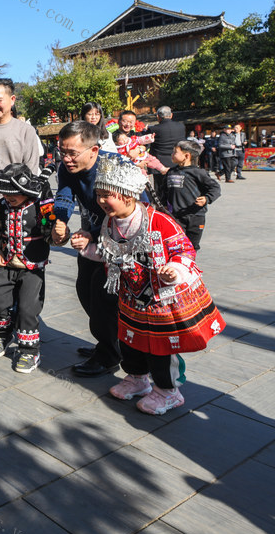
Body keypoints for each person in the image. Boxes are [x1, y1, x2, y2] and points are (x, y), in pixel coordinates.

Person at [77, 155, 225, 415]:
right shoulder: (109, 223)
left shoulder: (160, 222)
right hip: (131, 298)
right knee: (130, 341)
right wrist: (88, 248)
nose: (101, 201)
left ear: (127, 195)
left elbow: (185, 250)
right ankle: (137, 378)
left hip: (160, 301)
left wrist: (175, 268)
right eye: (98, 195)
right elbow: (109, 252)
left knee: (161, 347)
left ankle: (168, 392)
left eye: (106, 195)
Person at [52, 121, 125, 377]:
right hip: (92, 236)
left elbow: (125, 214)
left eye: (73, 153)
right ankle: (108, 343)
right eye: (63, 151)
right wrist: (60, 220)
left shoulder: (114, 168)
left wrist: (91, 234)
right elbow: (64, 194)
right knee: (85, 289)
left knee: (103, 295)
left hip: (121, 241)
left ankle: (109, 355)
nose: (67, 158)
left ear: (94, 150)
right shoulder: (66, 167)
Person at [0, 163, 54, 374]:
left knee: (27, 308)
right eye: (5, 194)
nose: (9, 197)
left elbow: (51, 228)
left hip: (32, 265)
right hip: (6, 261)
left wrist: (57, 230)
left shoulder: (39, 206)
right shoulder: (4, 206)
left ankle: (29, 350)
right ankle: (2, 335)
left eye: (13, 193)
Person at [164, 140, 222, 251]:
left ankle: (190, 266)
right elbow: (164, 191)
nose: (171, 155)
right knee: (177, 244)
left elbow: (215, 188)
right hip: (176, 216)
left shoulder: (198, 172)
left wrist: (206, 198)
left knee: (192, 246)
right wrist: (163, 205)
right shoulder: (171, 172)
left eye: (175, 152)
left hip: (196, 216)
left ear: (187, 156)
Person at [147, 106, 185, 170]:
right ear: (171, 115)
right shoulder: (181, 126)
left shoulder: (153, 129)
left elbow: (146, 144)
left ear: (158, 116)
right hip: (177, 161)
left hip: (160, 164)